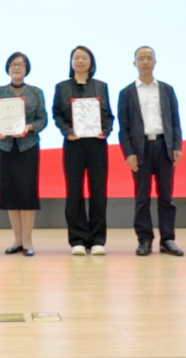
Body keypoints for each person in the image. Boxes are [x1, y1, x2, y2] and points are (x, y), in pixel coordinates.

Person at [118, 46, 185, 257]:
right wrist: (128, 152)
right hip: (141, 149)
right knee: (142, 198)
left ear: (155, 62)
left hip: (164, 146)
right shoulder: (126, 93)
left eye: (149, 58)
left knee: (166, 196)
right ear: (134, 63)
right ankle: (144, 239)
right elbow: (124, 127)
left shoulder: (166, 90)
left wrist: (177, 146)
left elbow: (175, 121)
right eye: (141, 58)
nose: (145, 62)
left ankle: (168, 239)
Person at [51, 46, 114, 255]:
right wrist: (67, 131)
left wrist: (105, 130)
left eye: (84, 57)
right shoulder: (62, 87)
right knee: (74, 192)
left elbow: (108, 115)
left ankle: (97, 239)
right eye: (76, 57)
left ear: (91, 61)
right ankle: (77, 239)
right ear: (71, 62)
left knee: (98, 192)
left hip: (97, 144)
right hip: (73, 144)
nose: (79, 61)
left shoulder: (101, 86)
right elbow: (57, 114)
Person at [0, 52, 47, 257]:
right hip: (6, 147)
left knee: (27, 193)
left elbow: (43, 119)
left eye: (21, 64)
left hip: (27, 146)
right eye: (13, 64)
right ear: (7, 68)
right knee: (11, 193)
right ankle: (17, 240)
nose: (17, 67)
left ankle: (28, 241)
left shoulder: (36, 92)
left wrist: (29, 127)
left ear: (27, 68)